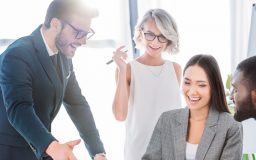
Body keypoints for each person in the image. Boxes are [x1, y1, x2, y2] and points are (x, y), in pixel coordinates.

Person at [0, 0, 107, 159]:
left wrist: (98, 151)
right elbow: (19, 109)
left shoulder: (64, 58)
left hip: (42, 148)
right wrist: (53, 147)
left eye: (87, 34)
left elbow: (77, 104)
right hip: (10, 150)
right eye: (78, 33)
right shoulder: (17, 54)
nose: (84, 41)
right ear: (56, 24)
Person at [111, 9, 182, 160]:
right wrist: (122, 70)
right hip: (139, 153)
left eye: (162, 36)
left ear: (169, 38)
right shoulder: (128, 69)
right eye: (150, 34)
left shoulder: (175, 69)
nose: (155, 42)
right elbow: (120, 115)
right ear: (140, 32)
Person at [143, 54, 243, 160]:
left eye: (201, 85)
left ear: (213, 87)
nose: (192, 91)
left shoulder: (231, 127)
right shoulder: (166, 120)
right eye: (187, 82)